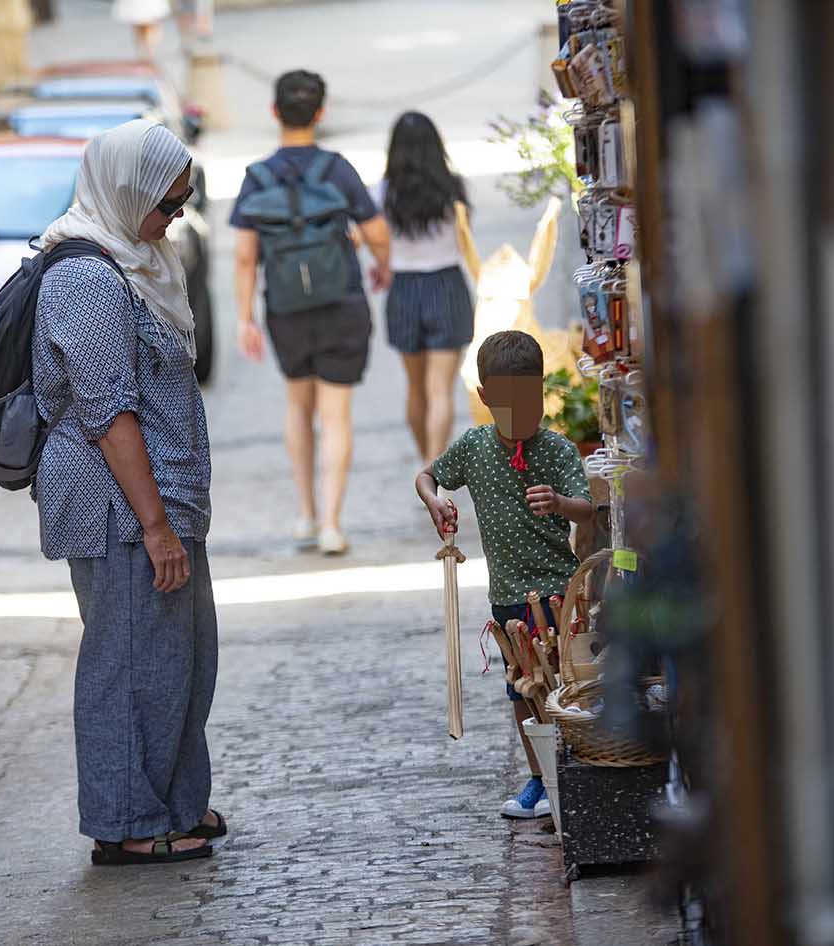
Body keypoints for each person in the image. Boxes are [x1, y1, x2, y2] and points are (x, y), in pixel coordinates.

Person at [33, 120, 225, 865]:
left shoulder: (138, 258)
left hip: (160, 498)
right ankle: (127, 825)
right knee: (128, 664)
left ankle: (174, 802)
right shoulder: (85, 278)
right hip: (118, 507)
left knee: (178, 658)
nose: (175, 215)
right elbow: (108, 414)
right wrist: (154, 527)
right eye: (166, 203)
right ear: (126, 193)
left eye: (182, 200)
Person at [415, 330, 594, 819]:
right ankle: (540, 778)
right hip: (509, 598)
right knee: (521, 687)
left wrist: (559, 503)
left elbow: (587, 509)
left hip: (560, 591)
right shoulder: (474, 449)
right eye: (507, 404)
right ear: (486, 398)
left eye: (529, 400)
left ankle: (577, 771)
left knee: (566, 684)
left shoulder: (557, 451)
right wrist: (436, 502)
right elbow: (427, 475)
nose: (520, 415)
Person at [231, 69, 393, 556]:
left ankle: (304, 514)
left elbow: (243, 255)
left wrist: (245, 318)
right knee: (336, 415)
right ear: (320, 113)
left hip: (285, 309)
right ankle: (332, 524)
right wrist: (382, 266)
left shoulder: (256, 177)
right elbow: (379, 233)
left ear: (274, 112)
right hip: (340, 300)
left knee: (297, 406)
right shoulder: (338, 169)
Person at [372, 112, 478, 468]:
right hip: (447, 284)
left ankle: (424, 464)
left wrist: (381, 264)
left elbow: (376, 241)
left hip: (404, 290)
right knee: (440, 390)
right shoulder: (455, 189)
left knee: (415, 388)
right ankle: (435, 471)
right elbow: (465, 242)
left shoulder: (384, 193)